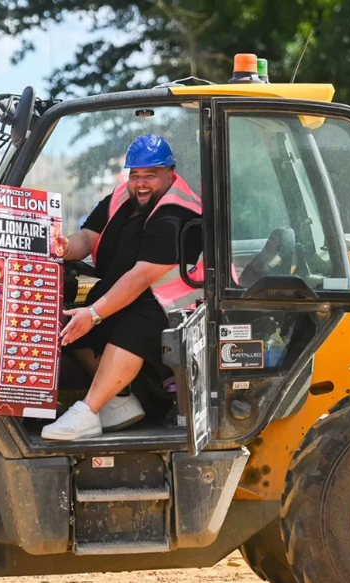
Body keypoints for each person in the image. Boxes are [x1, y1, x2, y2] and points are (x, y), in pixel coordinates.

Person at [42, 134, 202, 441]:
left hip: (175, 306)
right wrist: (64, 247)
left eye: (150, 175)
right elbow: (87, 239)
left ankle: (88, 412)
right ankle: (117, 400)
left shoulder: (176, 212)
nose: (141, 183)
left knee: (134, 318)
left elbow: (140, 277)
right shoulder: (119, 198)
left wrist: (93, 313)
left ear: (170, 172)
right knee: (64, 305)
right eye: (135, 175)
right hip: (131, 291)